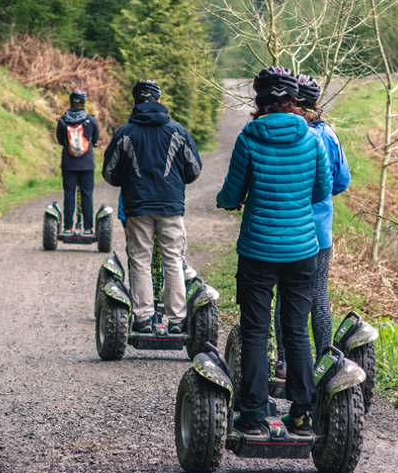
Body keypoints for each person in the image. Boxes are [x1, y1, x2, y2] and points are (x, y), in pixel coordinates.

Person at [217, 66, 332, 437]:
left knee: (255, 331)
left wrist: (231, 201)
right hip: (302, 251)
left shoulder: (249, 138)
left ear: (260, 101)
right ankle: (302, 414)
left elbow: (231, 194)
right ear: (294, 101)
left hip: (258, 250)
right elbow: (321, 191)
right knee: (296, 330)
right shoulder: (312, 139)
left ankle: (251, 417)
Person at [102, 79, 202, 334]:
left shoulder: (125, 132)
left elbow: (110, 173)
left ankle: (144, 319)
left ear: (135, 101)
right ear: (158, 99)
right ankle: (177, 320)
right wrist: (175, 183)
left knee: (140, 262)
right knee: (173, 261)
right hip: (171, 205)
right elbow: (194, 170)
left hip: (138, 205)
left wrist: (128, 180)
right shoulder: (178, 131)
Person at [274, 74, 351, 366]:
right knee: (319, 292)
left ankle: (283, 362)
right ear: (317, 102)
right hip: (319, 230)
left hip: (289, 227)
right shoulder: (328, 134)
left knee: (284, 294)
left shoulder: (289, 132)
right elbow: (341, 181)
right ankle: (323, 361)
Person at [56, 90, 100, 234]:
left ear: (70, 101)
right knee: (87, 194)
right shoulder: (91, 120)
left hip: (69, 163)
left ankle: (68, 227)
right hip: (87, 164)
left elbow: (60, 140)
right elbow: (95, 139)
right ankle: (88, 228)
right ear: (84, 102)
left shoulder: (62, 121)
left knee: (69, 194)